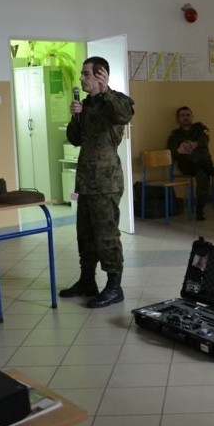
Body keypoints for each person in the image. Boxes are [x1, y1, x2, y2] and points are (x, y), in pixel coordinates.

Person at [59, 57, 135, 309]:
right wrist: (75, 118)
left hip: (106, 181)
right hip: (86, 181)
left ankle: (114, 287)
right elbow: (75, 140)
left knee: (106, 235)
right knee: (86, 234)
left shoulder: (116, 101)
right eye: (82, 74)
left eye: (86, 74)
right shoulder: (87, 104)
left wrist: (106, 91)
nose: (81, 78)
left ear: (101, 75)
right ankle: (87, 281)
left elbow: (124, 115)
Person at [167, 106, 214, 220]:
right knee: (198, 164)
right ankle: (207, 168)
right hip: (187, 165)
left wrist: (194, 144)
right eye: (182, 115)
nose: (185, 117)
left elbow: (205, 140)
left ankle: (199, 208)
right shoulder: (175, 135)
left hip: (202, 164)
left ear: (192, 116)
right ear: (178, 119)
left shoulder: (200, 128)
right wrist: (180, 150)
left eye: (188, 115)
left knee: (202, 174)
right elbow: (170, 152)